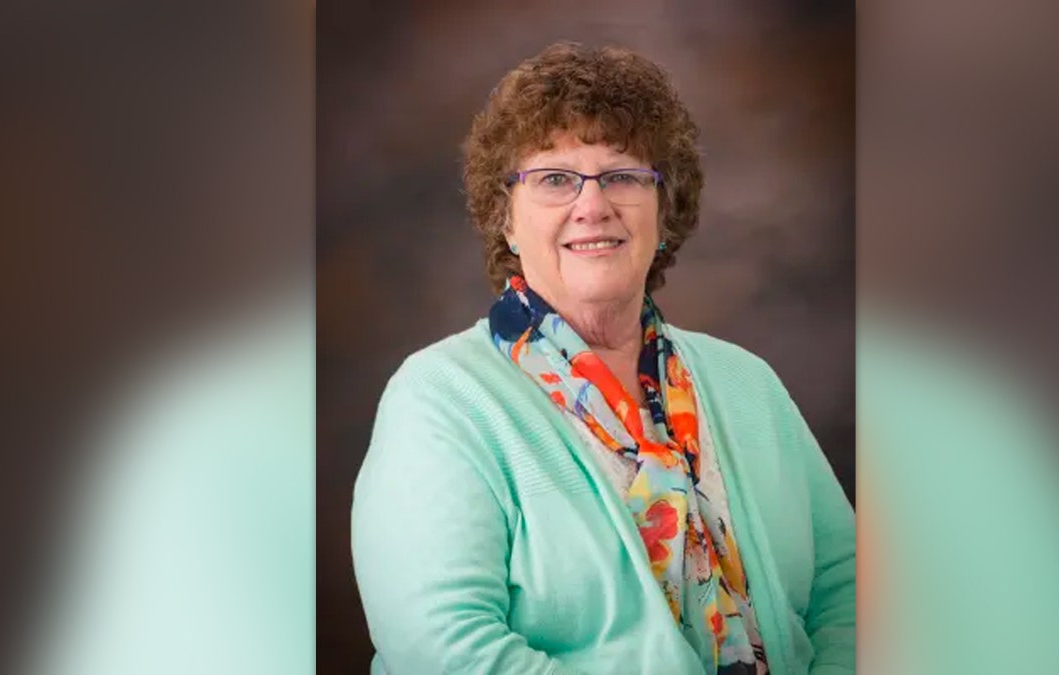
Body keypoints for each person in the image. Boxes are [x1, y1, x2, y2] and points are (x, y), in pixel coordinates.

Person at [351, 41, 855, 675]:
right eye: (555, 179)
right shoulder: (440, 399)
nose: (592, 205)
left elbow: (849, 589)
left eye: (621, 175)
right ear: (506, 220)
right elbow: (442, 646)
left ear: (664, 210)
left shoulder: (746, 382)